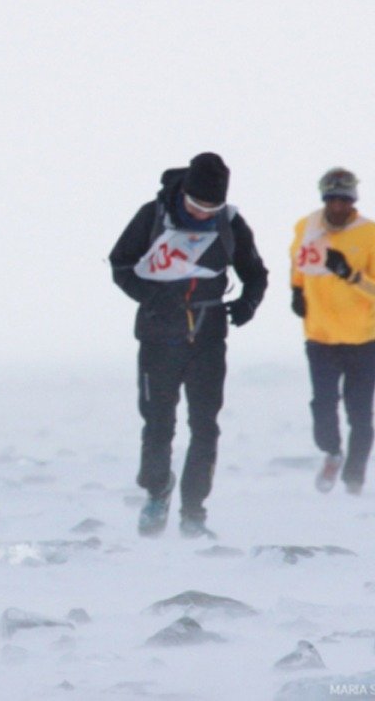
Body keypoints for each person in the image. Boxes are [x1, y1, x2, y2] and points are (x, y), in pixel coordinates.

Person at [109, 153, 268, 538]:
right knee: (159, 422)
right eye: (195, 205)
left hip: (209, 338)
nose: (201, 214)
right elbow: (120, 264)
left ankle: (194, 512)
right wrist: (151, 296)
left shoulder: (230, 223)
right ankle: (156, 492)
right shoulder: (153, 214)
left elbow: (255, 274)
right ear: (184, 194)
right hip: (158, 336)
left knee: (205, 426)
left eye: (210, 207)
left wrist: (248, 304)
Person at [289, 168, 375, 495]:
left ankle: (354, 479)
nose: (337, 205)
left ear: (353, 201)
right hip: (320, 337)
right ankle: (332, 452)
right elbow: (297, 263)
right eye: (332, 198)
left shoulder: (371, 233)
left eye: (344, 200)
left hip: (363, 340)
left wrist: (350, 275)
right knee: (322, 406)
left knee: (359, 414)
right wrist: (296, 291)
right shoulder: (307, 227)